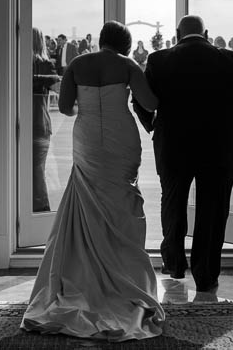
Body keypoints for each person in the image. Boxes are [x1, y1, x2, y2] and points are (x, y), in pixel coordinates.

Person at [22, 21, 163, 341]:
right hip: (120, 138)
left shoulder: (77, 63)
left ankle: (85, 276)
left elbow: (65, 108)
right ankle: (122, 277)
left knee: (89, 202)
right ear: (125, 44)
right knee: (121, 202)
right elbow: (151, 103)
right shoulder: (127, 64)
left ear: (101, 41)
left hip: (86, 140)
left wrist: (89, 99)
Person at [134, 15, 233, 293]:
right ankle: (205, 275)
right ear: (206, 33)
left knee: (173, 205)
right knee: (212, 212)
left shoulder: (159, 60)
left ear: (176, 33)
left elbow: (139, 99)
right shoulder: (228, 60)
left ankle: (174, 264)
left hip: (174, 147)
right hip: (217, 149)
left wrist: (152, 124)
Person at [30, 28, 59, 212]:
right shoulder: (46, 65)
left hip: (21, 123)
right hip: (39, 122)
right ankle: (40, 214)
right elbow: (60, 90)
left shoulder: (14, 63)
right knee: (37, 173)